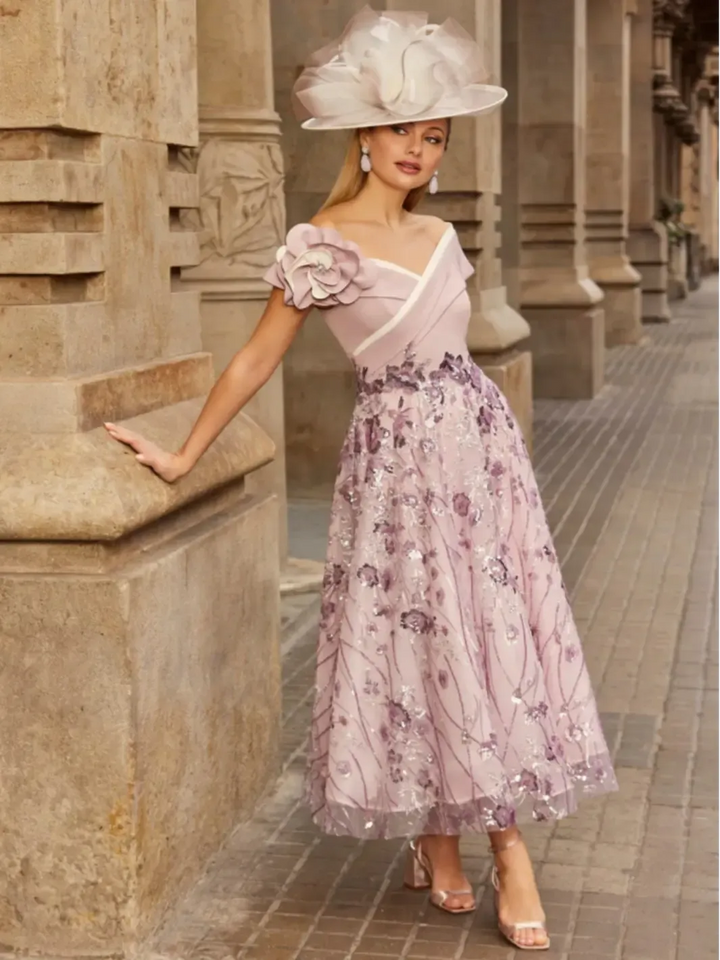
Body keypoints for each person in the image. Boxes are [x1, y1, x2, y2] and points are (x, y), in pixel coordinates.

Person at [105, 8, 618, 951]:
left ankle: (506, 845)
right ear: (363, 135)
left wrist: (497, 469)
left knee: (489, 634)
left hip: (477, 453)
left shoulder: (443, 238)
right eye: (402, 131)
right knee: (421, 639)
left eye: (433, 135)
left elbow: (460, 358)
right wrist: (184, 452)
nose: (418, 150)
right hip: (394, 466)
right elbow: (256, 360)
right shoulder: (319, 244)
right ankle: (440, 838)